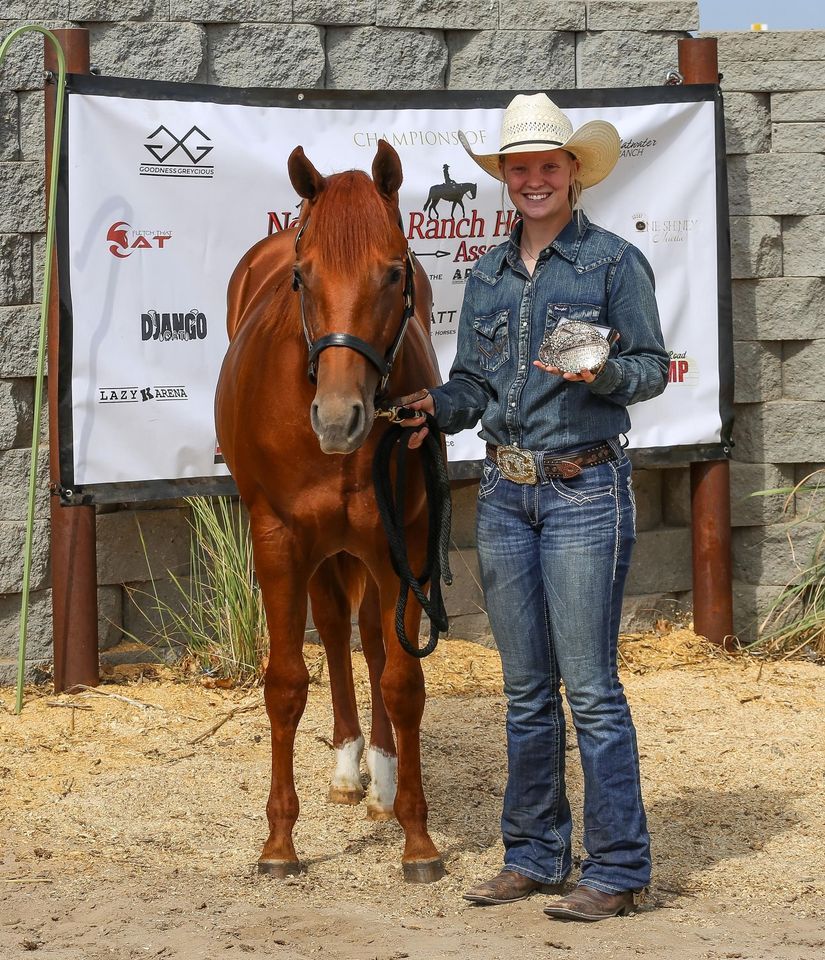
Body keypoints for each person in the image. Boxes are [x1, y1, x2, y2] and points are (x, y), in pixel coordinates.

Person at [402, 94, 669, 921]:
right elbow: (477, 387)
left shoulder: (614, 265)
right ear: (505, 179)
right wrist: (434, 406)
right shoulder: (484, 274)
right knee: (523, 689)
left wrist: (607, 375)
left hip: (585, 487)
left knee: (588, 689)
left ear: (574, 174)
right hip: (503, 492)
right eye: (518, 168)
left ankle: (618, 870)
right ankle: (534, 856)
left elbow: (654, 367)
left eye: (546, 166)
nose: (532, 180)